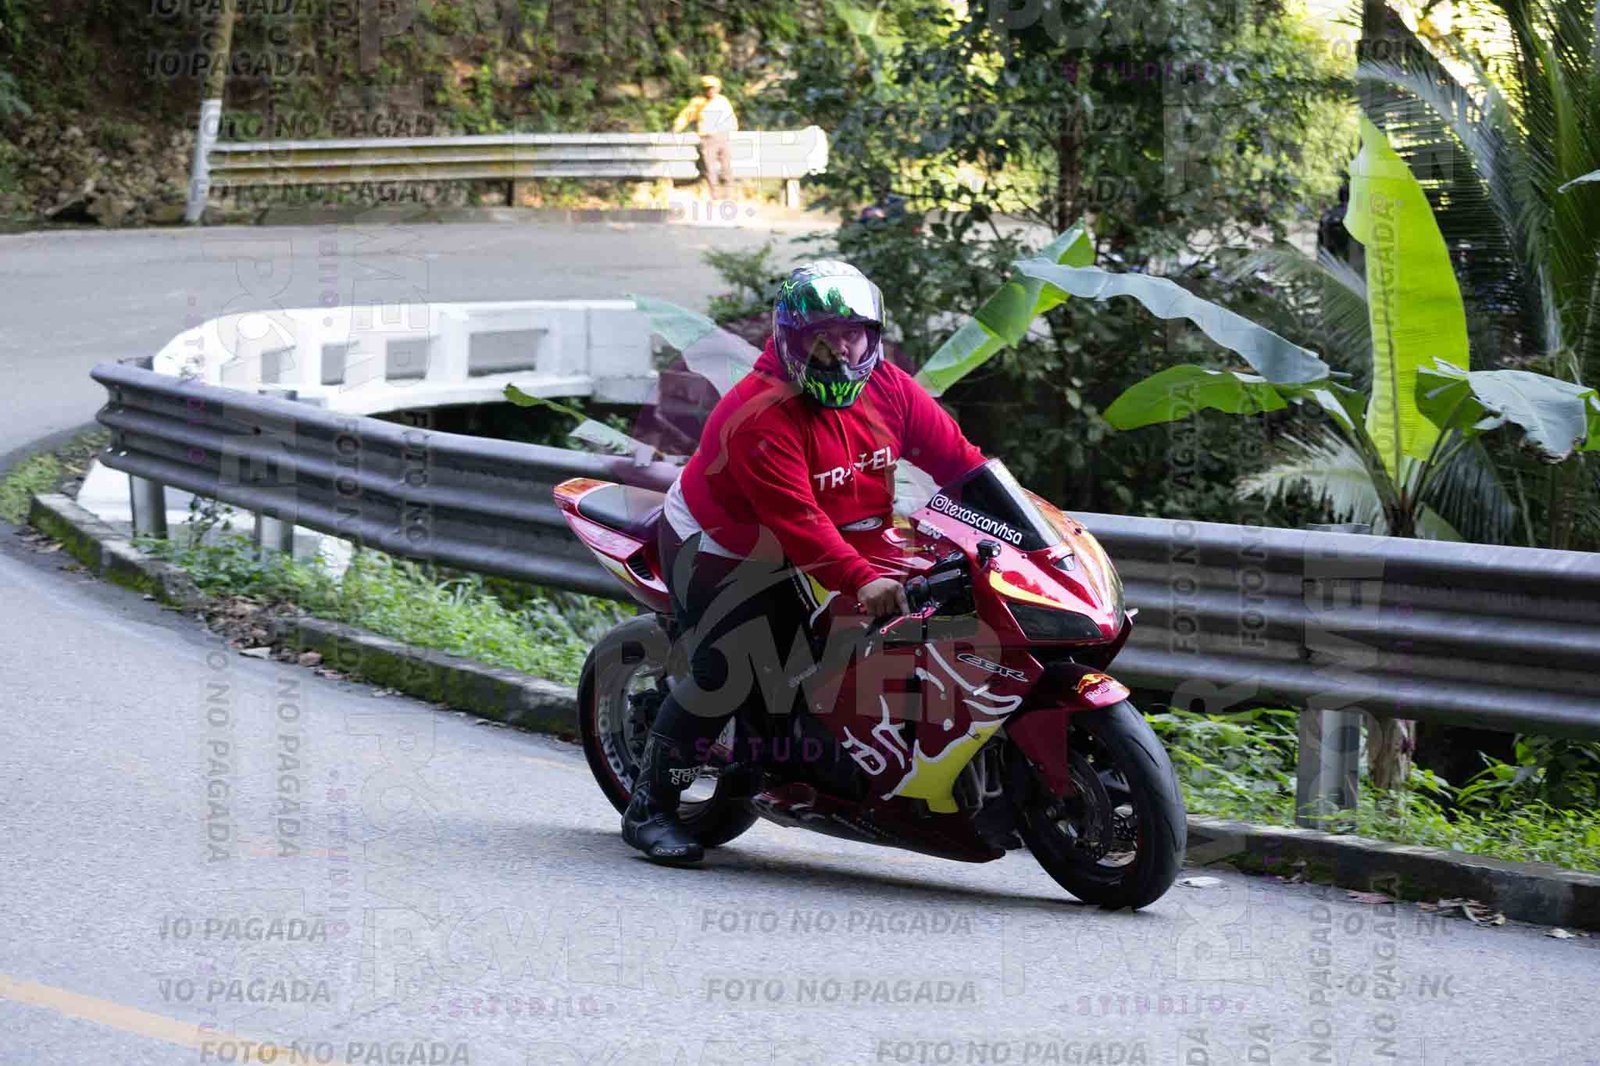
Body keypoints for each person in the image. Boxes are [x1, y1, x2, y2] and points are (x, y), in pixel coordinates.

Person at [622, 261, 988, 864]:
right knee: (731, 669)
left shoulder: (890, 388)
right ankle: (651, 808)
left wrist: (1024, 526)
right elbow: (797, 522)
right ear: (792, 339)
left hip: (846, 529)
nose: (840, 349)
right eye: (823, 335)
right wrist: (862, 579)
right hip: (726, 543)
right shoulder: (761, 413)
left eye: (853, 335)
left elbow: (961, 463)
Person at [672, 74, 738, 199]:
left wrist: (733, 131)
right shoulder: (698, 102)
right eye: (707, 88)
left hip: (723, 137)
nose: (710, 90)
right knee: (710, 168)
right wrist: (676, 128)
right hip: (707, 139)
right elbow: (686, 116)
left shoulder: (723, 101)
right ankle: (715, 195)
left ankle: (728, 195)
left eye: (712, 88)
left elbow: (731, 118)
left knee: (726, 167)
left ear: (718, 88)